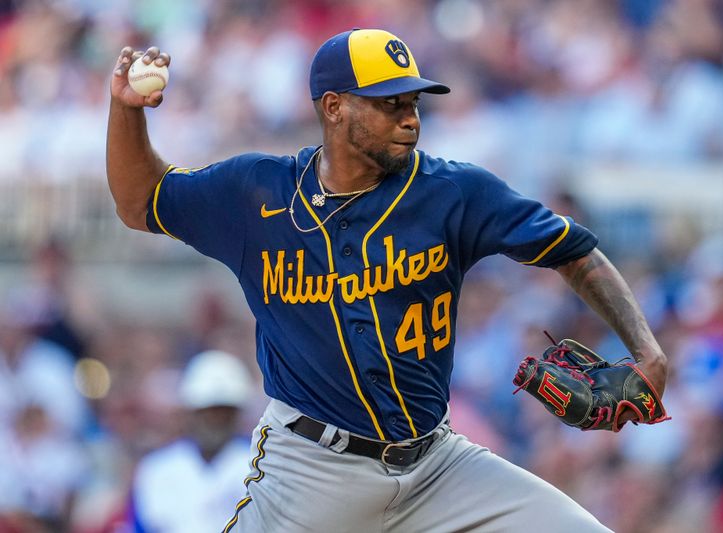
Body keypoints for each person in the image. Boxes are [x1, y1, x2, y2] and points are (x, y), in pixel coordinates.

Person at [106, 28, 667, 533]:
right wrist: (126, 111)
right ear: (333, 107)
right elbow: (140, 202)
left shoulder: (454, 192)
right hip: (310, 473)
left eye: (413, 102)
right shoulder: (256, 194)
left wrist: (646, 350)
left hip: (438, 466)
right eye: (389, 104)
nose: (410, 118)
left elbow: (574, 251)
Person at [130, 350, 254, 533]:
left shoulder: (258, 466)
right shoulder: (157, 469)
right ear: (191, 412)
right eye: (208, 412)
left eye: (223, 413)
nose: (215, 421)